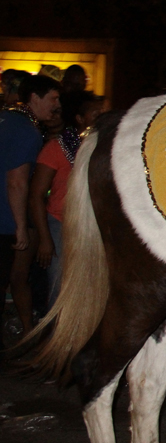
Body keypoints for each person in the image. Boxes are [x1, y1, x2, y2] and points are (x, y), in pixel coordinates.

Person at [28, 92, 103, 308]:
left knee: (90, 288)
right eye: (95, 113)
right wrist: (44, 238)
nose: (101, 117)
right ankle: (55, 337)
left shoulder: (101, 147)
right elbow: (36, 195)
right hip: (60, 223)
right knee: (59, 290)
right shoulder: (56, 148)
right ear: (79, 118)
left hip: (90, 226)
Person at [0, 75, 61, 337]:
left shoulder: (5, 119)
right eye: (53, 99)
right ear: (35, 98)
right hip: (3, 222)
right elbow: (16, 182)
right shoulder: (27, 130)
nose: (57, 105)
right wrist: (21, 227)